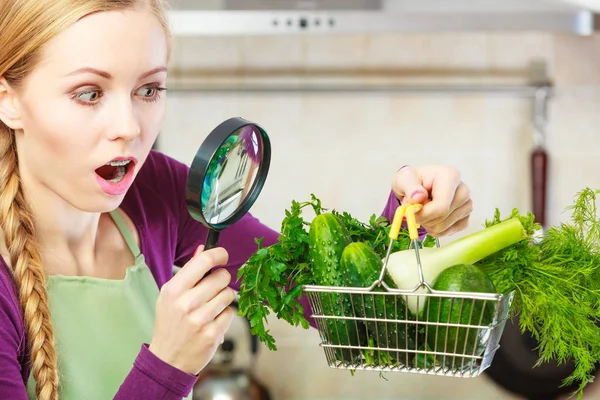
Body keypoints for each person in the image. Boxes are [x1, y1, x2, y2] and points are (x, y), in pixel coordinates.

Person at [0, 0, 473, 399]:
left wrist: (411, 215)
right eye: (88, 94)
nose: (130, 126)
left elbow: (337, 304)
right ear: (8, 100)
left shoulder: (159, 194)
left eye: (148, 89)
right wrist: (167, 367)